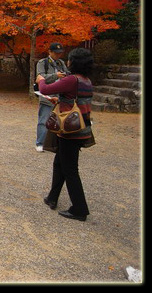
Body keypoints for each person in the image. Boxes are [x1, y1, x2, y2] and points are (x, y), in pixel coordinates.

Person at [36, 48, 95, 221]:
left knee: (70, 169)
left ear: (74, 62)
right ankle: (52, 198)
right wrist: (60, 101)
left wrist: (41, 79)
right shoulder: (86, 80)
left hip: (70, 131)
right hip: (80, 127)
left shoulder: (71, 80)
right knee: (59, 163)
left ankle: (79, 209)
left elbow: (45, 89)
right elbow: (75, 101)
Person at [35, 42, 70, 152]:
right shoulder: (43, 63)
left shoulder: (61, 63)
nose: (58, 55)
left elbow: (67, 74)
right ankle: (40, 142)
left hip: (60, 95)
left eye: (60, 53)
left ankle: (54, 143)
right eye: (56, 53)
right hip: (47, 95)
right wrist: (56, 76)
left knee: (59, 120)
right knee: (44, 120)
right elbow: (40, 77)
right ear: (50, 52)